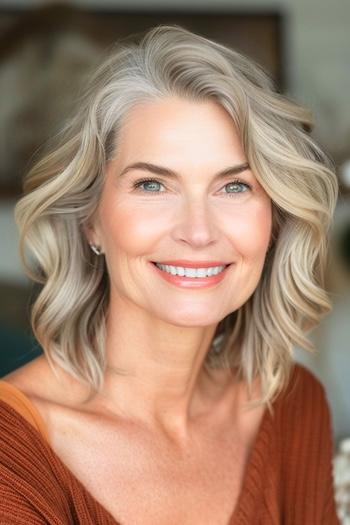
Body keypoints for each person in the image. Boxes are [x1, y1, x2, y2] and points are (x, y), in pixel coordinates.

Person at [0, 24, 340, 524]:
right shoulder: (14, 455)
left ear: (274, 220)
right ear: (91, 218)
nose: (198, 231)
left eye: (234, 187)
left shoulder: (292, 407)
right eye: (153, 184)